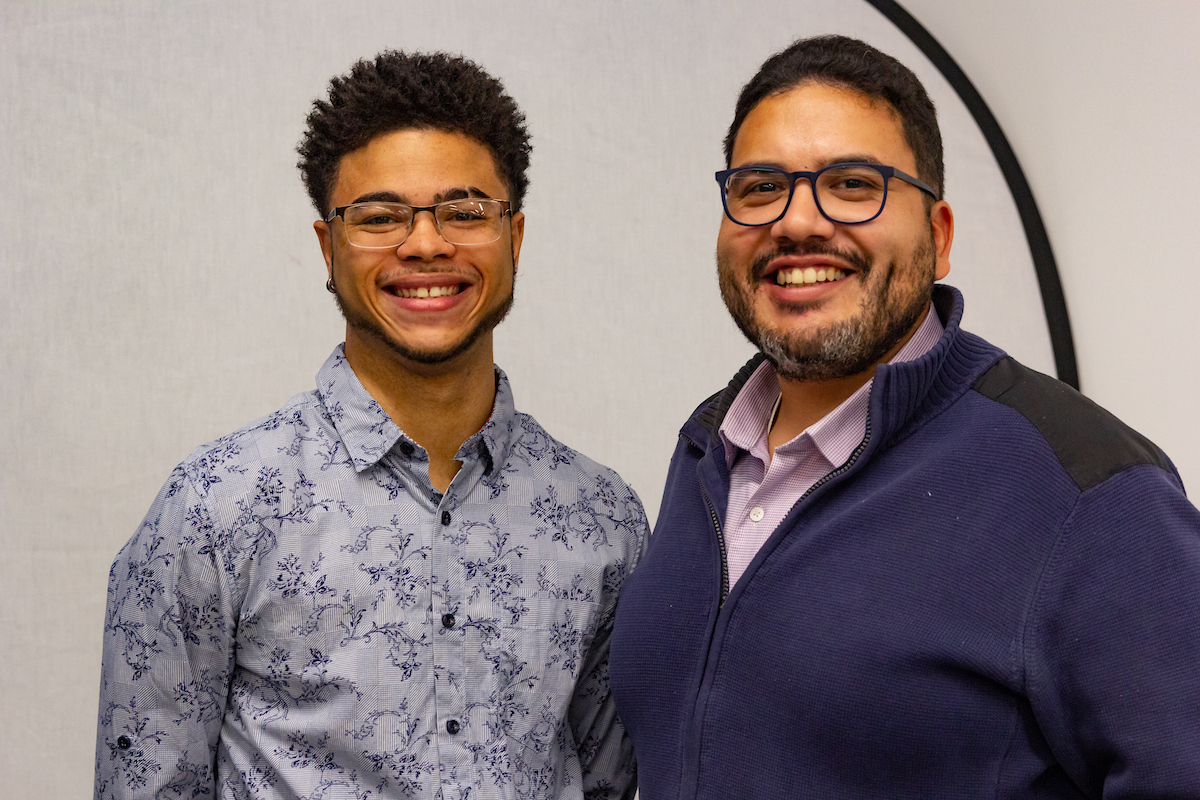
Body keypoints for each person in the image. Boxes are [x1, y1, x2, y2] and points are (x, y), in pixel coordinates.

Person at [608, 34, 1200, 799]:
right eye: (760, 188)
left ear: (940, 236)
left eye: (853, 184)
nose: (798, 222)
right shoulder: (707, 454)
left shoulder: (1089, 493)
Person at [95, 51, 646, 800]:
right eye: (382, 217)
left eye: (465, 212)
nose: (425, 244)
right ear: (328, 246)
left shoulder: (601, 520)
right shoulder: (214, 509)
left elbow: (611, 783)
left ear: (515, 237)